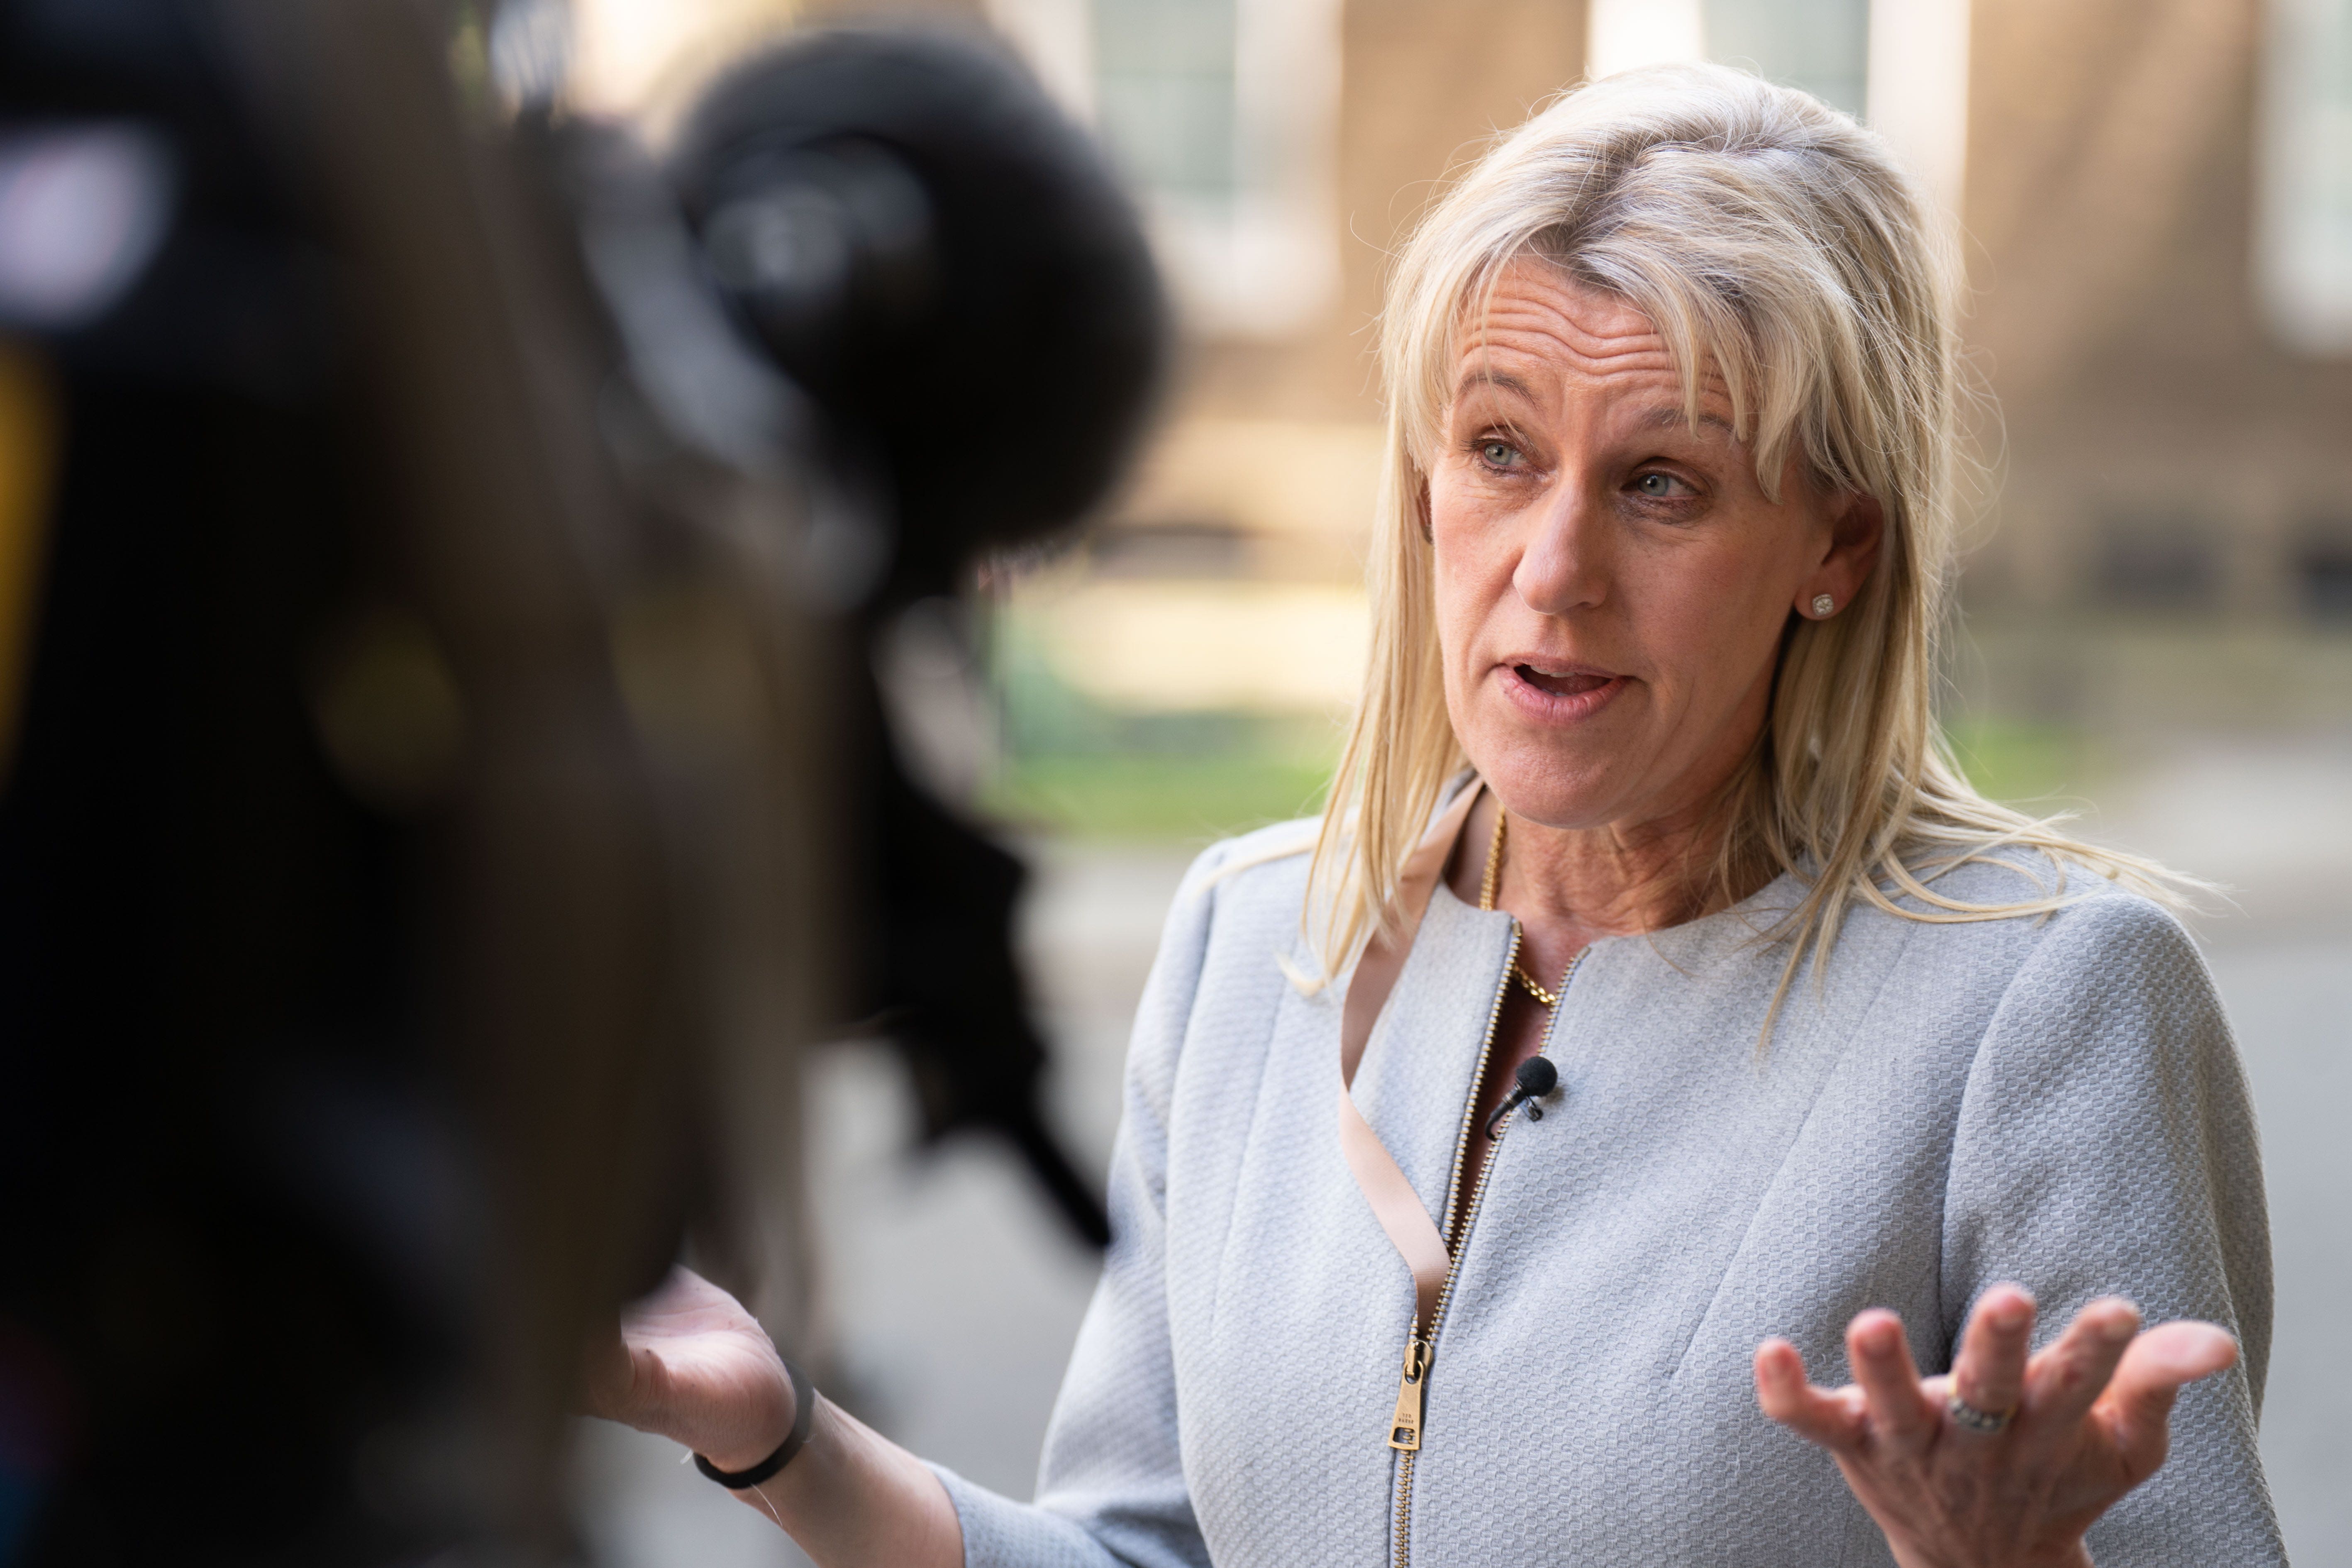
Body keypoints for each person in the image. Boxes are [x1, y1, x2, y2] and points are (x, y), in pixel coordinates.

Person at [585, 62, 2283, 1567]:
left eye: (1663, 484)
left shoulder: (2044, 1009)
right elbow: (1146, 1551)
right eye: (1497, 452)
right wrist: (781, 1438)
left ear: (1835, 547)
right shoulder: (1259, 937)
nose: (1554, 573)